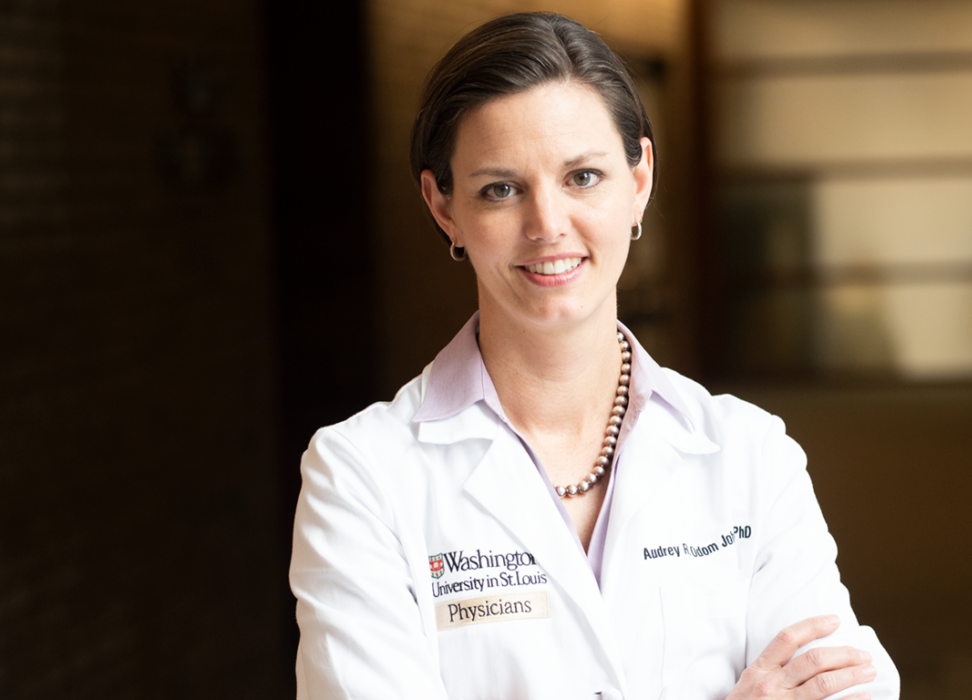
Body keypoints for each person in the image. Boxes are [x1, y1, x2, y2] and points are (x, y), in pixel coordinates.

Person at [289, 12, 899, 700]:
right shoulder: (360, 478)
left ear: (639, 182)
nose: (547, 224)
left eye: (582, 177)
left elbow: (849, 686)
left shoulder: (750, 455)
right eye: (500, 188)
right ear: (444, 207)